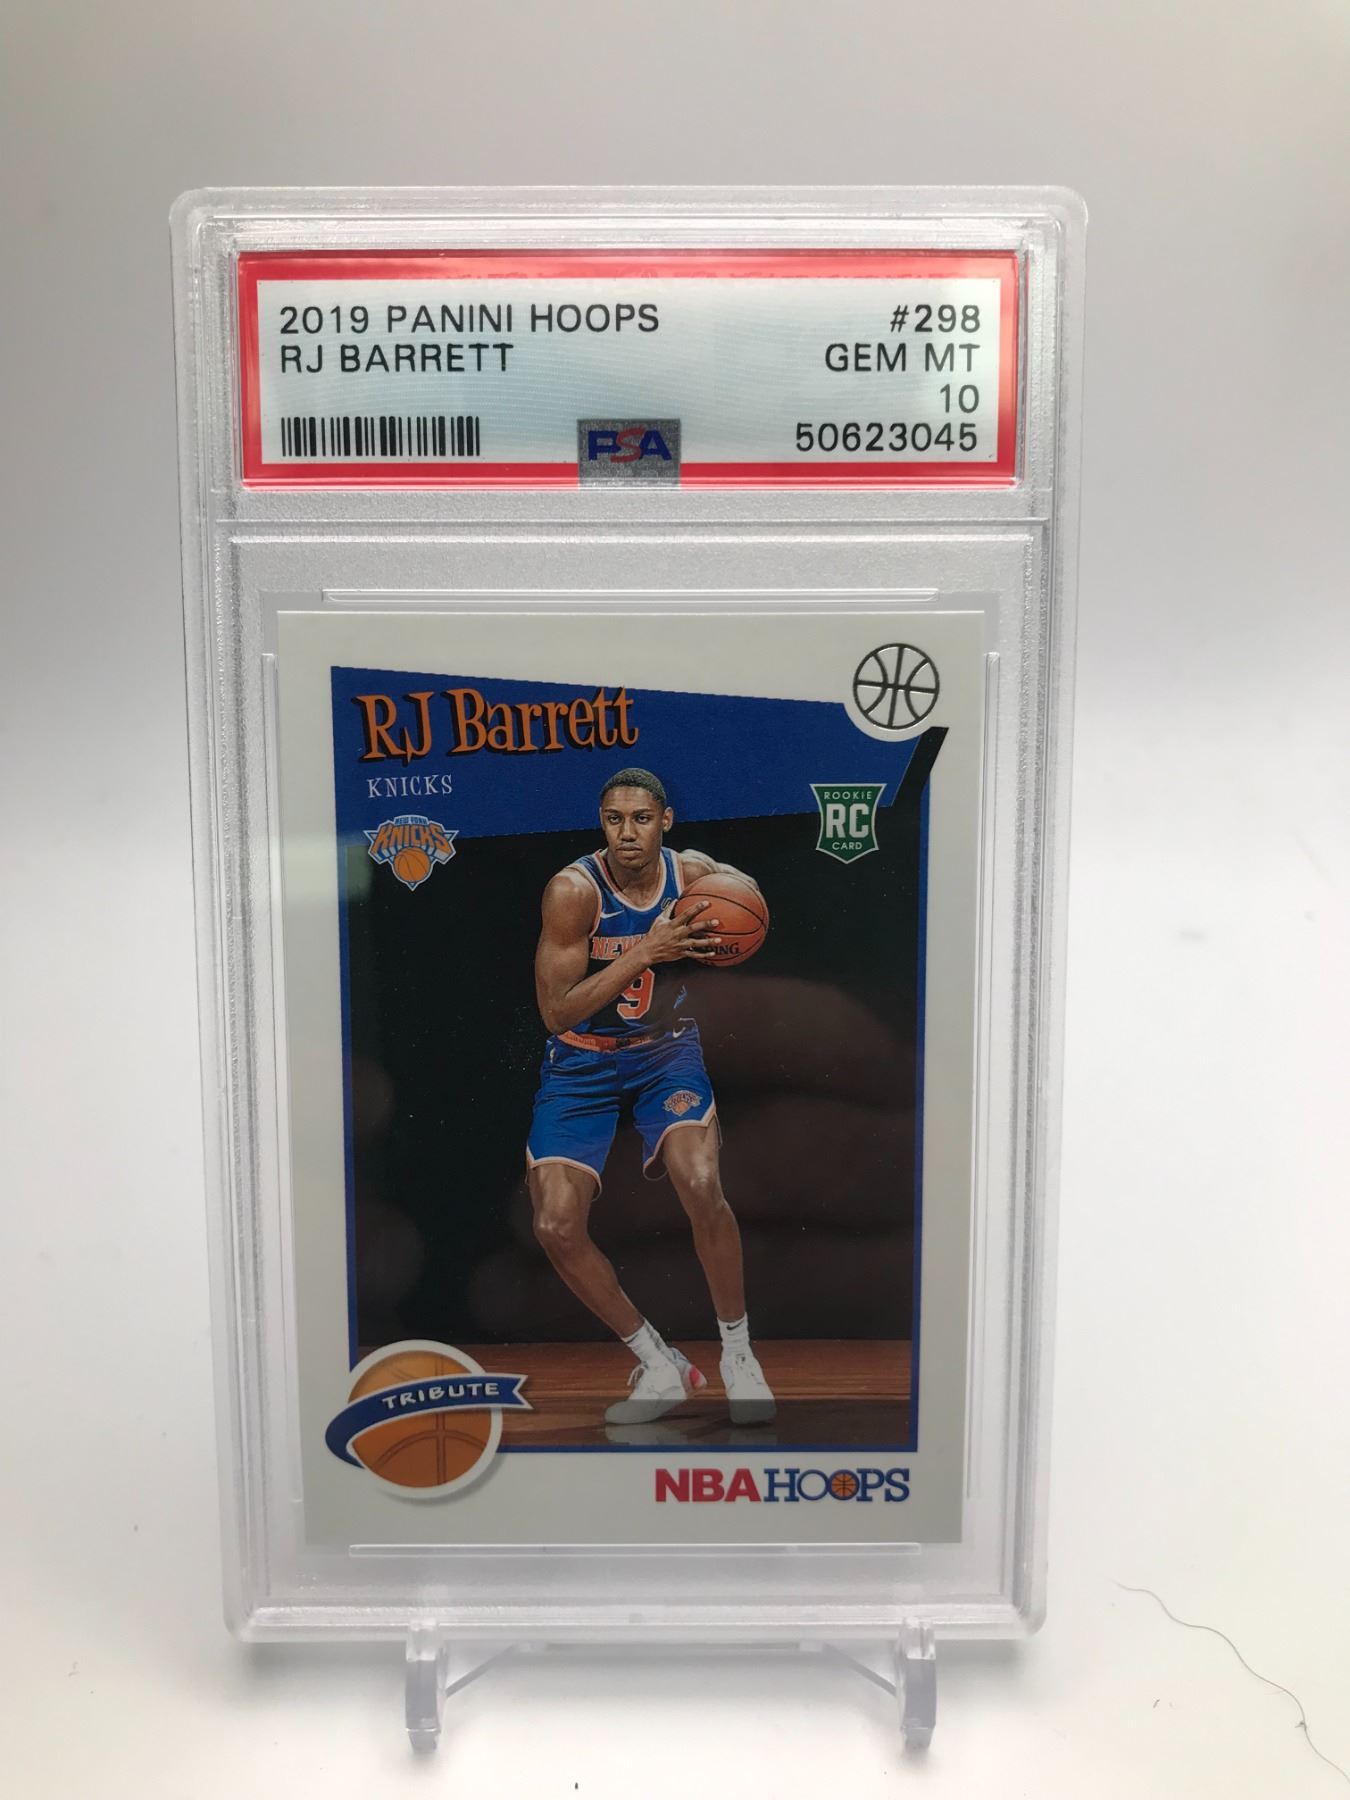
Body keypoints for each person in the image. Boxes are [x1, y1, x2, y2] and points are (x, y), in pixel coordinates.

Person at [526, 767, 776, 1425]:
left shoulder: (691, 874)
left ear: (665, 821)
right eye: (614, 820)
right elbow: (556, 1012)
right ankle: (660, 1364)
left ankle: (738, 1354)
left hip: (664, 1053)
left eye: (641, 819)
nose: (627, 833)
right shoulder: (573, 892)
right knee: (555, 1225)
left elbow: (745, 900)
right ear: (601, 823)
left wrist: (737, 908)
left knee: (700, 1181)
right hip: (579, 1063)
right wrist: (646, 949)